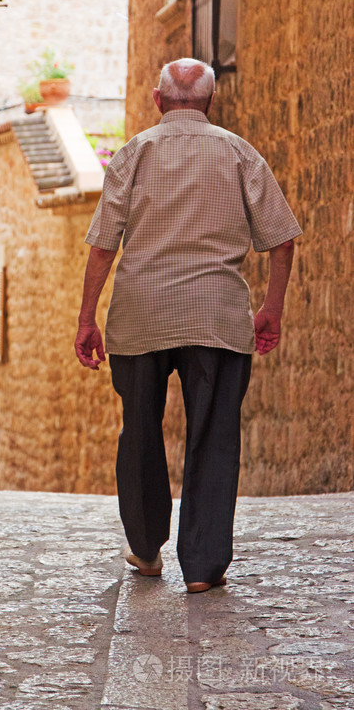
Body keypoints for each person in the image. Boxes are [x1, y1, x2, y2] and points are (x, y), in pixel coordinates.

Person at [75, 58, 301, 593]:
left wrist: (87, 318)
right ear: (210, 102)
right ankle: (202, 569)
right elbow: (283, 238)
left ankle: (147, 550)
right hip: (218, 318)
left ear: (158, 101)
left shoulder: (133, 153)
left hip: (139, 317)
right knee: (215, 436)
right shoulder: (239, 152)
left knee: (140, 433)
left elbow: (104, 244)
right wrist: (271, 307)